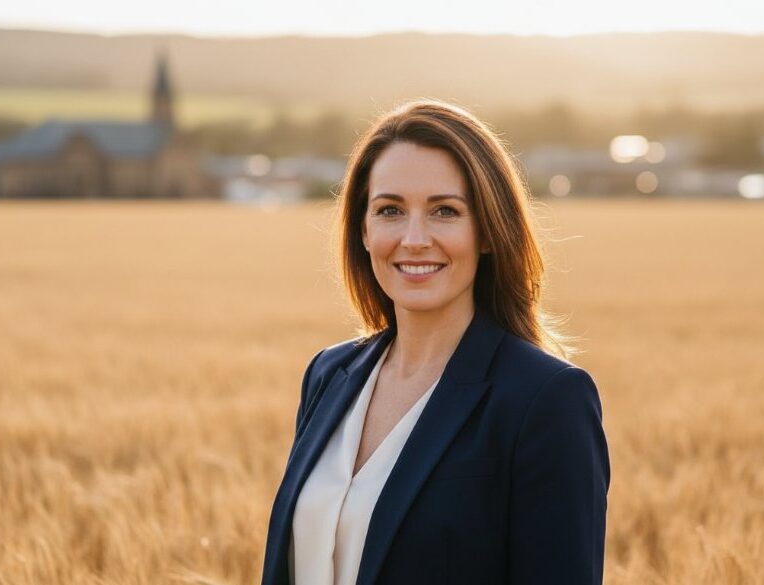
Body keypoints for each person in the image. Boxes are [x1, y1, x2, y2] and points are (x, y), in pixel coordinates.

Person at [261, 99, 610, 585]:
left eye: (445, 211)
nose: (414, 238)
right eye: (390, 210)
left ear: (487, 231)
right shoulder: (328, 374)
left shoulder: (545, 399)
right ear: (363, 229)